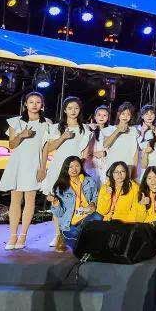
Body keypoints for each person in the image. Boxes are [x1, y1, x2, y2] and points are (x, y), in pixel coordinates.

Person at [0, 92, 53, 250]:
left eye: (38, 102)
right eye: (31, 102)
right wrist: (22, 135)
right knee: (15, 200)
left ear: (42, 105)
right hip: (17, 164)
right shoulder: (16, 121)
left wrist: (42, 168)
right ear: (25, 104)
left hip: (34, 164)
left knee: (30, 200)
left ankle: (23, 235)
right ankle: (12, 235)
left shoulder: (47, 123)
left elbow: (45, 148)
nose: (34, 105)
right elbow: (12, 145)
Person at [40, 97, 92, 248]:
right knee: (58, 200)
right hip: (59, 167)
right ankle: (58, 235)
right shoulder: (57, 127)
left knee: (75, 201)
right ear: (64, 110)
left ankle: (73, 234)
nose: (73, 111)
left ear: (80, 110)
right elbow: (48, 148)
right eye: (70, 108)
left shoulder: (84, 128)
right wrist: (63, 137)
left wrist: (80, 167)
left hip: (76, 169)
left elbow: (85, 152)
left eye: (76, 108)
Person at [47, 155, 100, 252]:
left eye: (77, 166)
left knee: (98, 217)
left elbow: (95, 196)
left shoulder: (89, 181)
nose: (74, 169)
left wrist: (93, 203)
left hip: (87, 217)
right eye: (70, 167)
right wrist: (55, 202)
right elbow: (59, 213)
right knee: (77, 238)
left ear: (81, 167)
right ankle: (71, 238)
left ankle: (83, 239)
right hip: (70, 223)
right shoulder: (60, 187)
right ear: (66, 169)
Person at [103, 102, 140, 177]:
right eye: (123, 114)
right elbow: (105, 144)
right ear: (118, 115)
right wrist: (117, 130)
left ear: (131, 117)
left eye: (128, 114)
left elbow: (135, 153)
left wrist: (135, 169)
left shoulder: (134, 131)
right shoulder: (109, 129)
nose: (125, 116)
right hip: (113, 164)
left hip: (128, 165)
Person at [87, 105, 112, 185]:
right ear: (95, 117)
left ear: (108, 117)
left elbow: (115, 148)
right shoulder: (89, 129)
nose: (101, 117)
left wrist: (105, 153)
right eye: (99, 115)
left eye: (104, 115)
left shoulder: (111, 130)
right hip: (91, 163)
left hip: (105, 163)